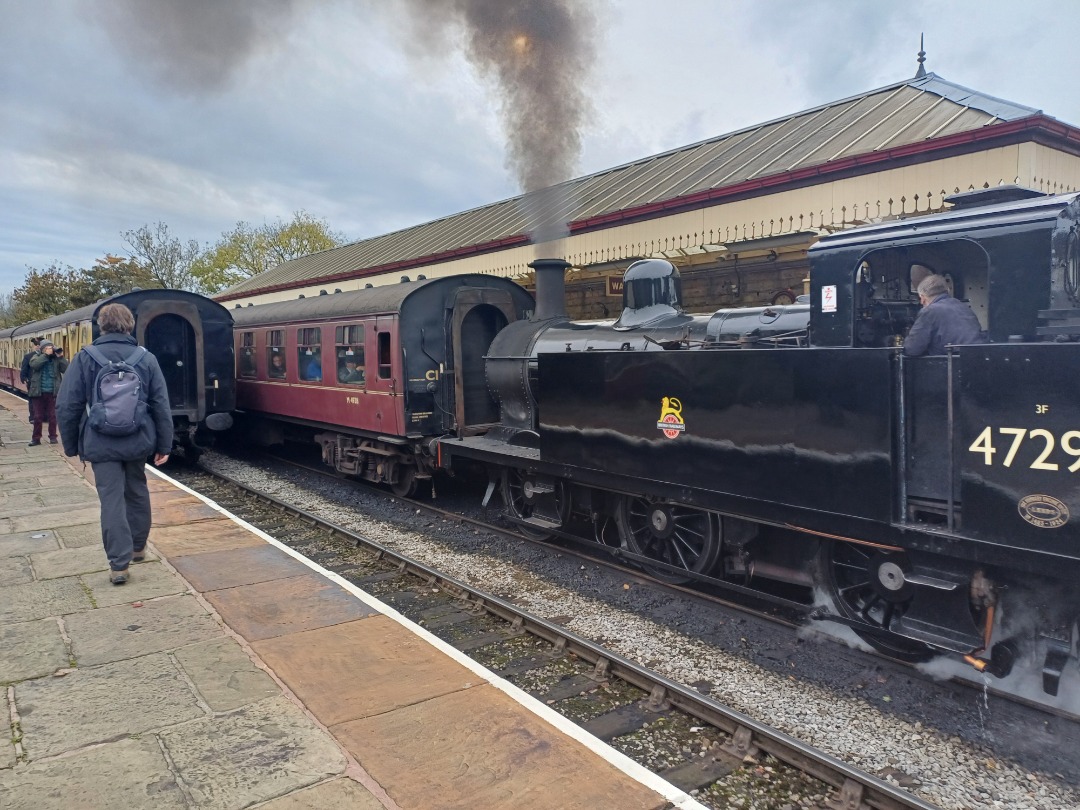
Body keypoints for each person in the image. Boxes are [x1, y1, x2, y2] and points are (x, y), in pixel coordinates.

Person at [56, 303, 173, 585]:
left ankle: (119, 566)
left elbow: (66, 405)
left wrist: (72, 445)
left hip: (100, 441)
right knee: (137, 490)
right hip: (137, 439)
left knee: (111, 500)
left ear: (101, 326)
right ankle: (137, 547)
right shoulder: (145, 358)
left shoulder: (85, 357)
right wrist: (164, 445)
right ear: (129, 326)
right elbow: (161, 405)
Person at [903, 274, 983, 357]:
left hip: (950, 363)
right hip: (977, 358)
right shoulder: (962, 306)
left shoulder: (929, 311)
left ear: (922, 298)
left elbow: (912, 349)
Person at [27, 340, 68, 445]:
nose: (50, 350)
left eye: (51, 347)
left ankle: (53, 437)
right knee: (37, 416)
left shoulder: (56, 360)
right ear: (43, 349)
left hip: (53, 392)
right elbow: (35, 365)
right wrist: (45, 355)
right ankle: (36, 438)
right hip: (38, 392)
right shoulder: (36, 357)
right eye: (48, 348)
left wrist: (61, 357)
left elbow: (67, 369)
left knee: (53, 416)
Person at [19, 337, 42, 423]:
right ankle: (32, 417)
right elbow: (24, 369)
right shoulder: (28, 357)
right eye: (36, 345)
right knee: (32, 400)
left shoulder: (47, 356)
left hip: (42, 382)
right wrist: (24, 378)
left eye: (39, 345)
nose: (37, 346)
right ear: (33, 346)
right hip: (32, 382)